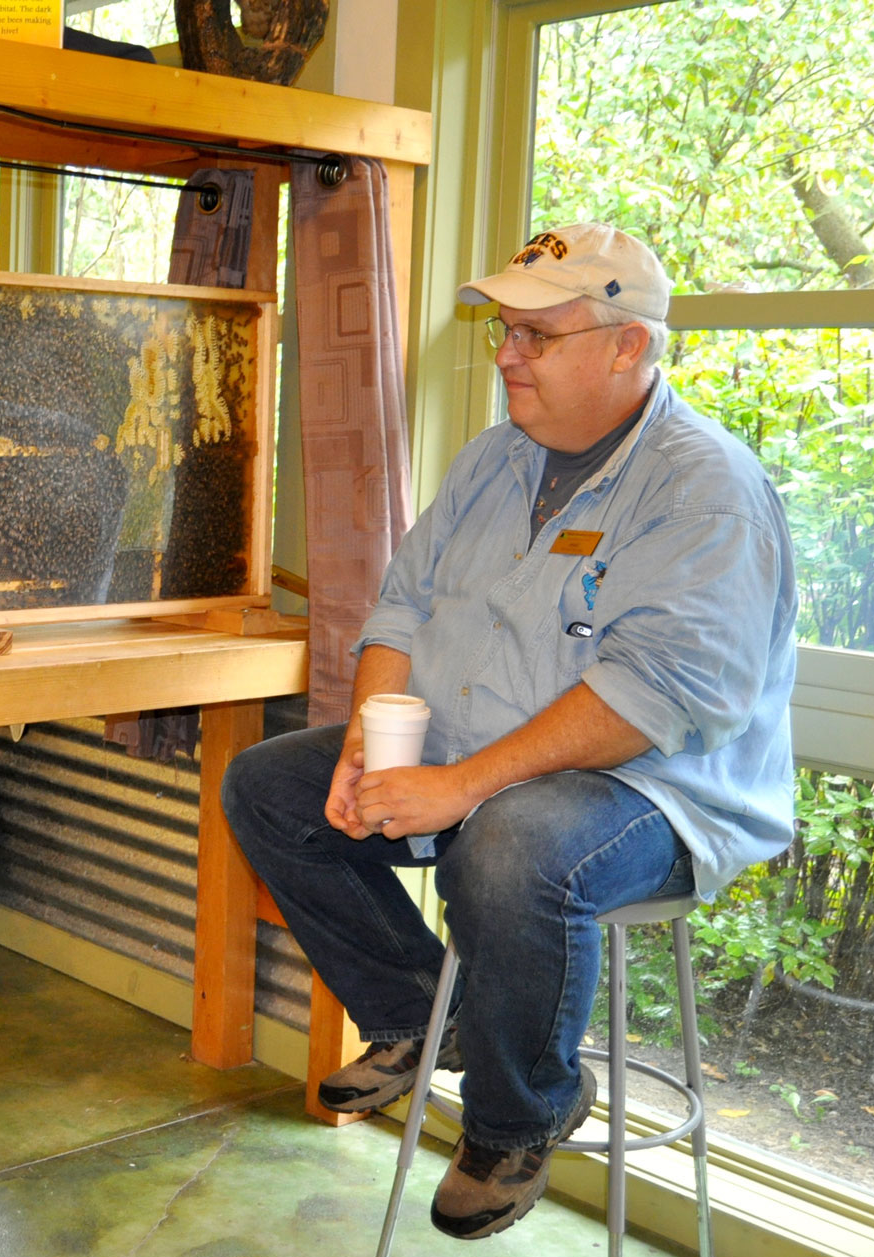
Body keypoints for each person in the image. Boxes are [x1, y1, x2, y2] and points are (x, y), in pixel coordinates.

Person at [222, 224, 796, 1239]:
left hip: (656, 789)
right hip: (475, 748)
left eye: (534, 335)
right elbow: (399, 611)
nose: (503, 355)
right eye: (502, 331)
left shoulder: (703, 485)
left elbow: (656, 694)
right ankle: (414, 1011)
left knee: (512, 844)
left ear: (626, 346)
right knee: (267, 786)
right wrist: (369, 734)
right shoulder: (494, 459)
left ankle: (516, 1111)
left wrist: (457, 787)